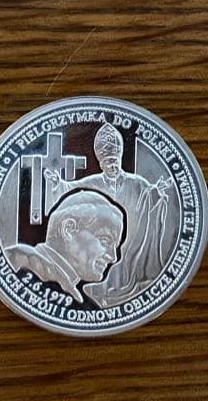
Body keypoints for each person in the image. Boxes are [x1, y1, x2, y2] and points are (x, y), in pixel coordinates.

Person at [44, 123, 172, 307]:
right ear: (101, 164)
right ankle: (104, 289)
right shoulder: (94, 181)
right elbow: (72, 190)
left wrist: (156, 193)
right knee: (104, 256)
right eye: (107, 163)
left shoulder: (135, 182)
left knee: (122, 259)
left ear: (119, 160)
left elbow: (147, 196)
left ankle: (125, 287)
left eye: (113, 161)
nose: (111, 166)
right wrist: (59, 183)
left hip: (131, 235)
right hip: (103, 239)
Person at [5, 190, 122, 305]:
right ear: (68, 230)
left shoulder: (74, 295)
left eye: (114, 246)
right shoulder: (18, 262)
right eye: (104, 241)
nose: (113, 257)